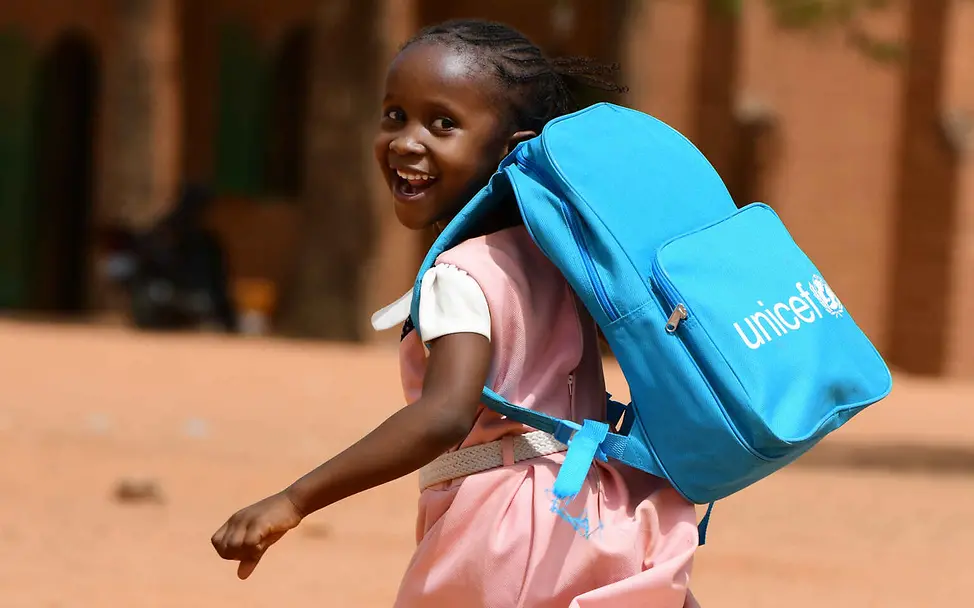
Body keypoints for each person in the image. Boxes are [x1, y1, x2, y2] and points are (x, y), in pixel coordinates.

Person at [211, 20, 700, 607]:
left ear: (512, 149)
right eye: (395, 114)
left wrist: (293, 499)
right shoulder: (561, 262)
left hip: (503, 531)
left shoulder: (460, 276)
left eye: (443, 124)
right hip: (595, 512)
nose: (406, 142)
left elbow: (444, 414)